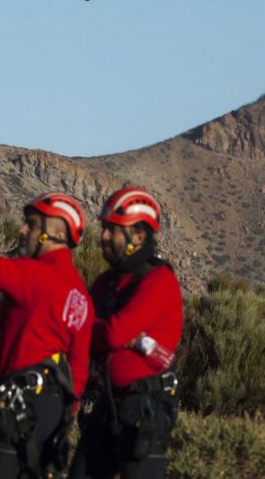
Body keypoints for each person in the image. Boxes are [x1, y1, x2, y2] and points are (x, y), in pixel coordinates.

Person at [0, 190, 94, 478]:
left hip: (16, 407)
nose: (22, 230)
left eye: (32, 224)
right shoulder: (80, 294)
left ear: (57, 233)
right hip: (52, 412)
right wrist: (67, 415)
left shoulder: (33, 276)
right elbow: (79, 368)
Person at [69, 188, 182, 479]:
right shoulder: (106, 282)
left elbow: (114, 334)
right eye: (105, 228)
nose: (104, 236)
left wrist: (104, 332)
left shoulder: (159, 280)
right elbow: (82, 332)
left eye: (113, 230)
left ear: (139, 237)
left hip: (144, 409)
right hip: (108, 404)